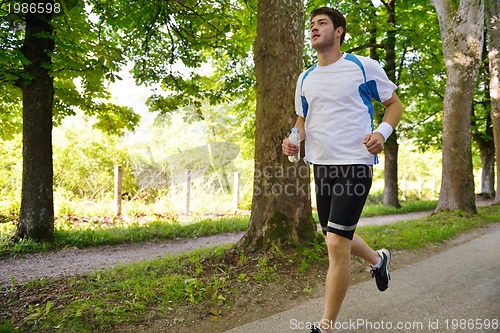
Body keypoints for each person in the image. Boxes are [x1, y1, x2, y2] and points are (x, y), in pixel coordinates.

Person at [282, 7, 403, 333]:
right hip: (321, 165)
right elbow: (303, 120)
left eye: (322, 23)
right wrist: (293, 139)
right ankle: (379, 260)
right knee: (335, 236)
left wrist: (381, 134)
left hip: (355, 163)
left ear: (339, 31)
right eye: (311, 25)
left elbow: (395, 105)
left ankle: (326, 326)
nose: (314, 29)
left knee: (335, 243)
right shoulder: (305, 78)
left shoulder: (362, 66)